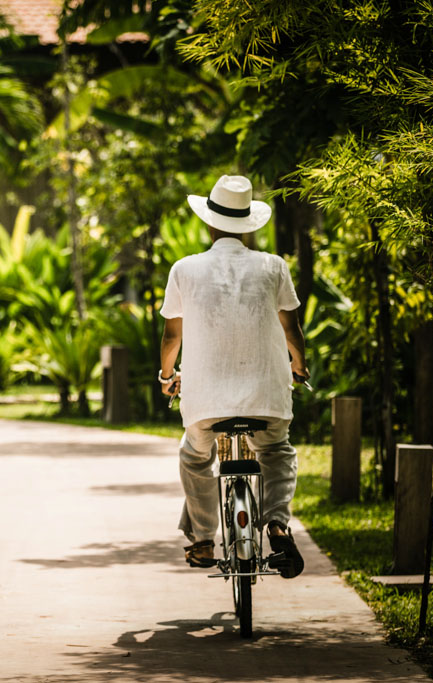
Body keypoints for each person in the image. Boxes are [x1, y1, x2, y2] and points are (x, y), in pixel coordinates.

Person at [158, 175, 309, 578]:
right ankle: (277, 524)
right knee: (276, 452)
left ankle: (205, 538)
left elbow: (173, 335)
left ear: (209, 223)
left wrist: (168, 375)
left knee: (195, 456)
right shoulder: (273, 266)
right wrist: (299, 366)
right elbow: (291, 331)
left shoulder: (184, 269)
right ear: (248, 224)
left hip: (204, 399)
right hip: (267, 395)